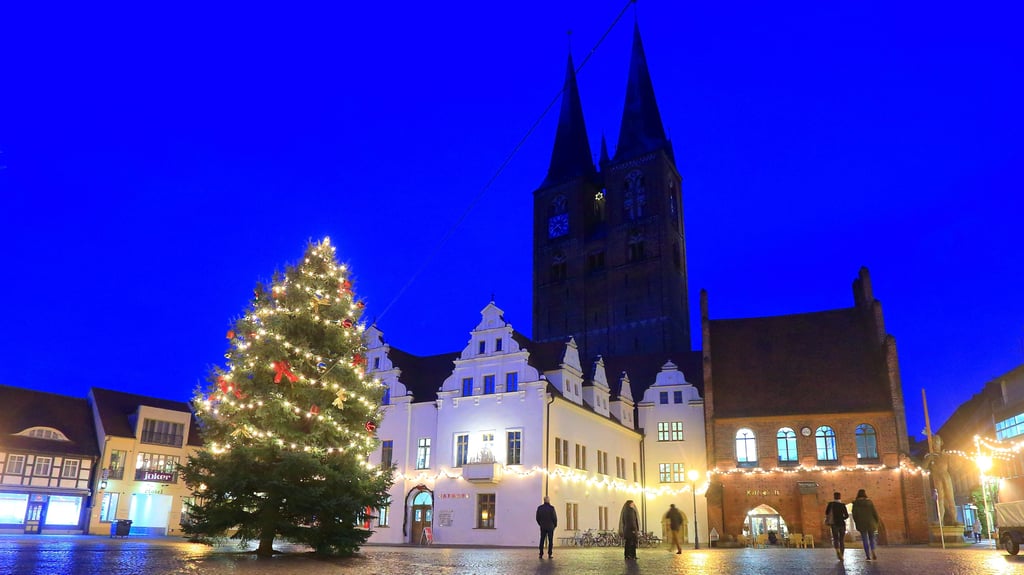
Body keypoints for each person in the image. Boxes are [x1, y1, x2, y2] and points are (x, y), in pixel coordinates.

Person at [851, 489, 880, 560]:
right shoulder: (869, 502)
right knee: (872, 538)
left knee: (864, 539)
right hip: (871, 522)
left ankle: (868, 555)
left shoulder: (855, 504)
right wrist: (877, 521)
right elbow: (875, 513)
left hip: (861, 523)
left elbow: (854, 515)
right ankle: (873, 551)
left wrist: (857, 522)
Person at [825, 491, 849, 560]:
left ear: (834, 497)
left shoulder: (831, 504)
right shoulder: (842, 505)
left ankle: (837, 550)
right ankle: (842, 555)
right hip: (842, 524)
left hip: (834, 524)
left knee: (836, 539)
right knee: (842, 540)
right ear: (840, 497)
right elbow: (847, 515)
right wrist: (842, 518)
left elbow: (826, 513)